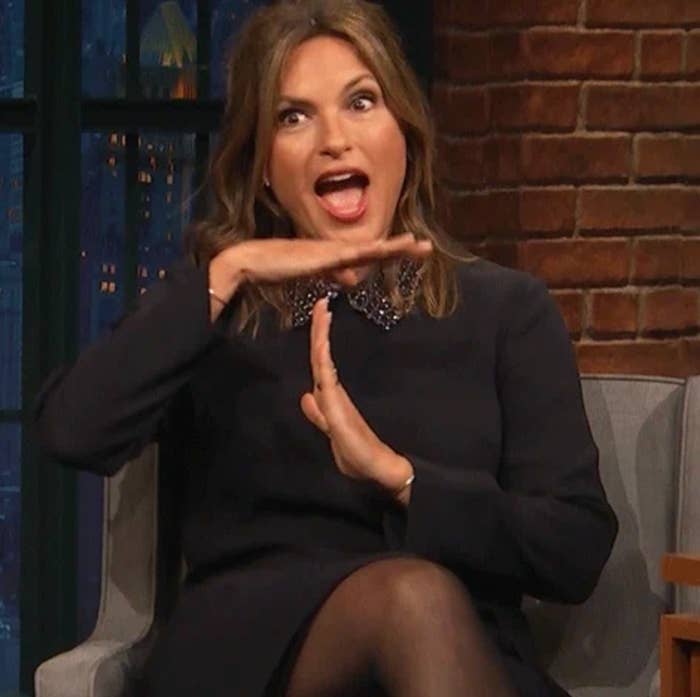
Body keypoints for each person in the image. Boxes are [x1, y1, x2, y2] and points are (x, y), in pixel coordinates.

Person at [34, 1, 618, 695]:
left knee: (421, 604)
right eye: (294, 117)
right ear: (263, 166)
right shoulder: (217, 311)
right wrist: (231, 269)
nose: (334, 140)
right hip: (253, 660)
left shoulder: (506, 311)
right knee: (411, 600)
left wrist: (401, 477)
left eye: (361, 102)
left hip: (459, 656)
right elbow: (73, 429)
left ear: (406, 134)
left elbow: (574, 547)